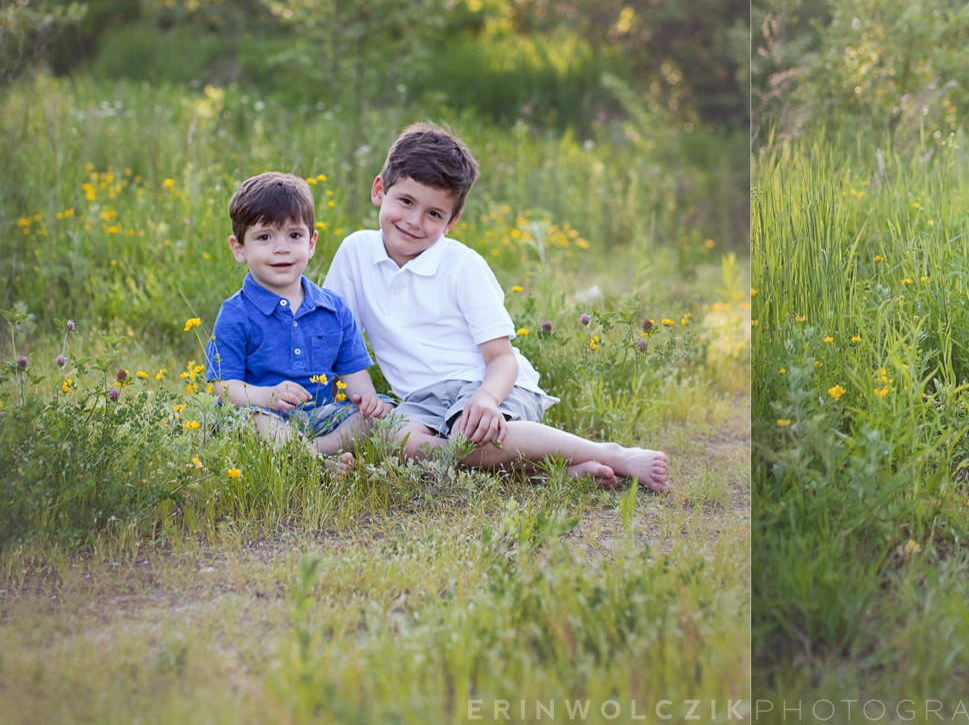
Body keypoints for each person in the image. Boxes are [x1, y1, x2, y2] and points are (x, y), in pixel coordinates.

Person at [321, 122, 670, 492]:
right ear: (380, 190)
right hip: (421, 401)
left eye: (434, 214)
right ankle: (547, 472)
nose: (414, 221)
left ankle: (613, 454)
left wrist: (486, 398)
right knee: (397, 442)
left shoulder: (462, 265)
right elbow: (334, 336)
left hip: (492, 386)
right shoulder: (356, 252)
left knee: (472, 436)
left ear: (452, 221)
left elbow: (503, 358)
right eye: (406, 202)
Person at [207, 172, 389, 476]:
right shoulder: (236, 313)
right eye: (265, 237)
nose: (282, 249)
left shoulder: (333, 308)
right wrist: (269, 396)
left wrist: (366, 399)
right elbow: (225, 389)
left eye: (294, 235)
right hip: (264, 415)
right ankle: (316, 465)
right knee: (250, 420)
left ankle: (312, 452)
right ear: (239, 248)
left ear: (312, 242)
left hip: (321, 418)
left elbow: (357, 381)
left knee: (385, 411)